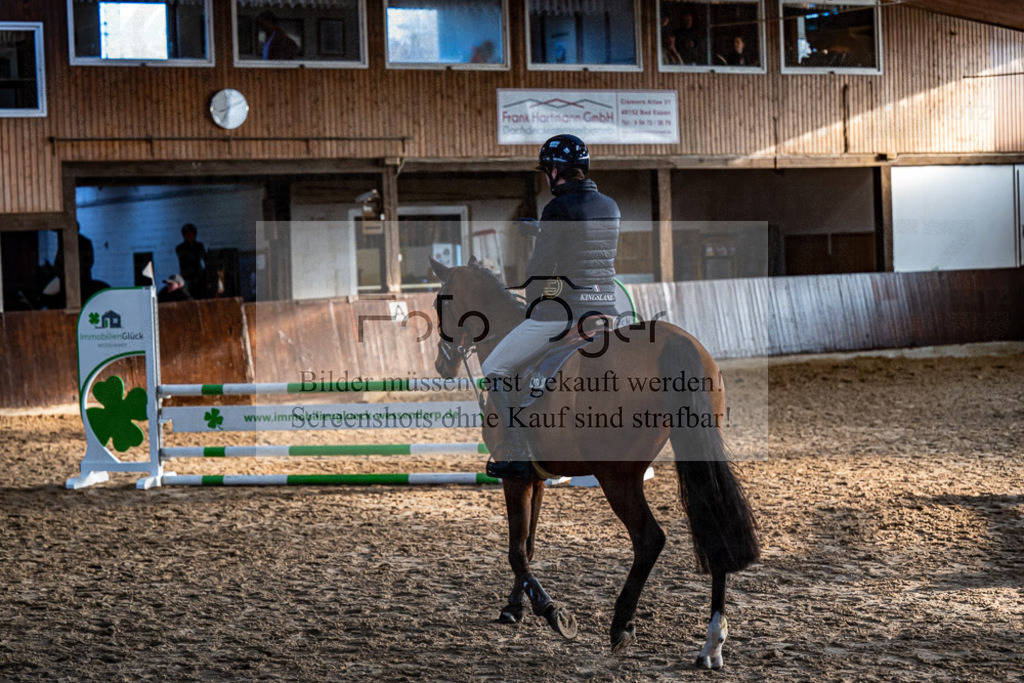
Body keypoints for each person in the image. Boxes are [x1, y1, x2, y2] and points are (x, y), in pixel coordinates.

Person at [481, 134, 621, 479]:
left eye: (547, 170)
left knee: (494, 368)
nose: (547, 177)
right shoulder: (611, 206)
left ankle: (514, 449)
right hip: (606, 310)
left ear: (556, 170)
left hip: (565, 314)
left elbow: (541, 271)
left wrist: (532, 305)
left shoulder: (557, 208)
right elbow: (584, 249)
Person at [175, 223, 206, 298]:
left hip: (198, 275)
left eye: (191, 234)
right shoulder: (180, 248)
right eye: (187, 234)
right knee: (187, 294)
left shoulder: (199, 245)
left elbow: (204, 258)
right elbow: (186, 260)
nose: (189, 236)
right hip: (187, 276)